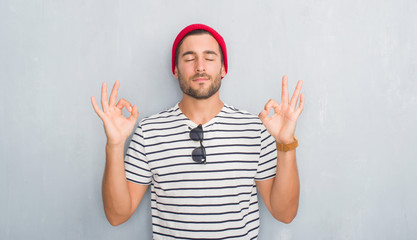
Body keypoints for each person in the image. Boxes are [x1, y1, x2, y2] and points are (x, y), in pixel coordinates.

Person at [91, 24, 304, 239]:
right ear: (175, 69)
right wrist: (115, 145)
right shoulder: (149, 132)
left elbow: (284, 214)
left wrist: (286, 143)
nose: (200, 67)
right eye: (189, 58)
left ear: (223, 69)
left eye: (210, 58)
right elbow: (117, 215)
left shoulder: (255, 129)